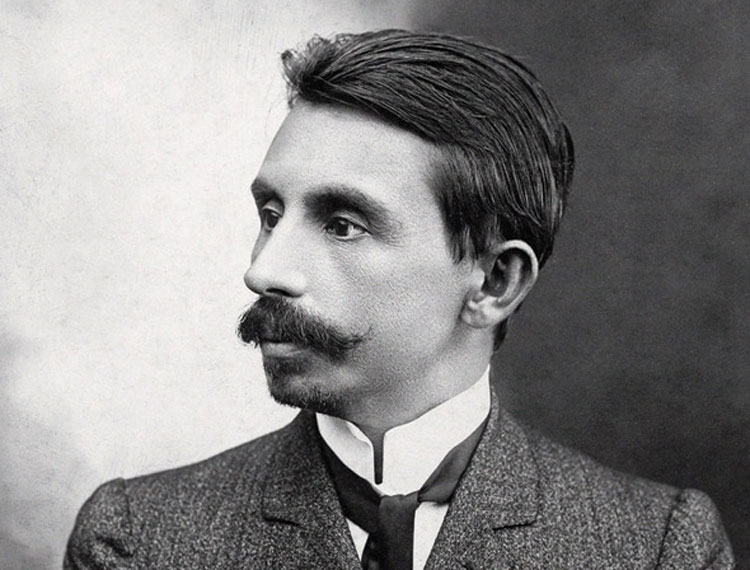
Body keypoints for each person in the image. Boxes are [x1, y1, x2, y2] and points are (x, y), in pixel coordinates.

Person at [64, 29, 734, 569]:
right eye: (271, 215)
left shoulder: (656, 548)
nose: (263, 271)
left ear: (495, 282)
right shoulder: (139, 540)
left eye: (342, 225)